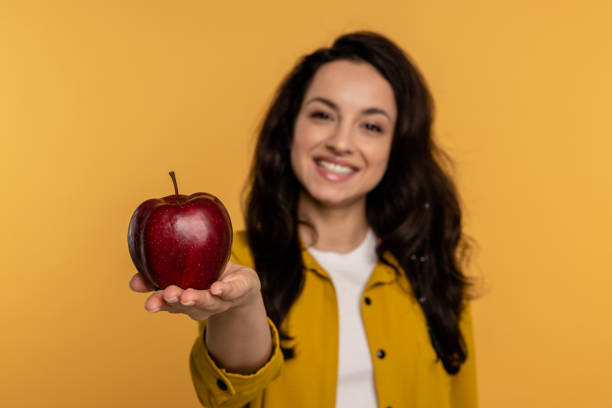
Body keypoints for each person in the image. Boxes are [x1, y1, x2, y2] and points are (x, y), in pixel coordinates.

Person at [130, 30, 478, 408]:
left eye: (371, 125)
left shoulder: (430, 266)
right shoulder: (233, 262)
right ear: (290, 127)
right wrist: (240, 305)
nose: (341, 142)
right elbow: (229, 398)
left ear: (396, 147)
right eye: (323, 115)